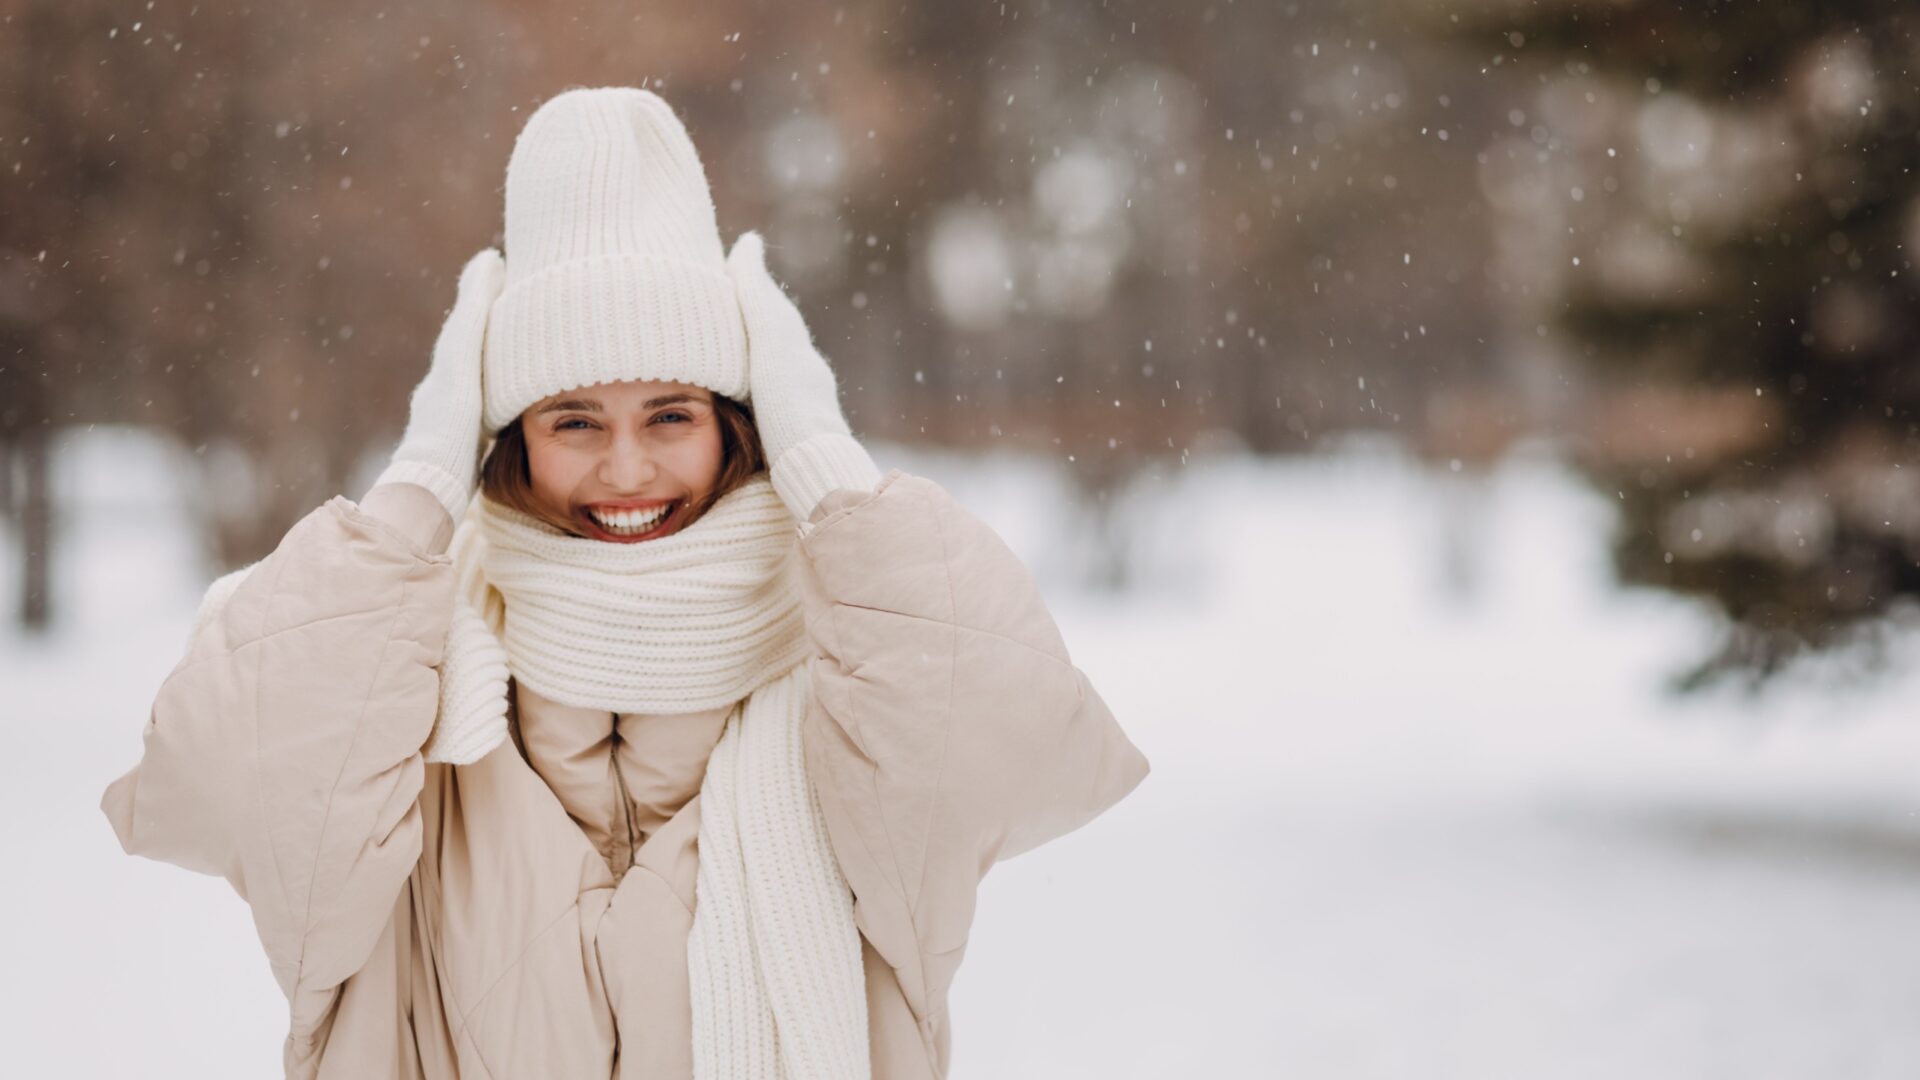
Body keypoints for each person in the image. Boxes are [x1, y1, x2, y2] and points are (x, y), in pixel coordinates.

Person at [101, 86, 1148, 1080]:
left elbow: (1013, 747)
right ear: (503, 439)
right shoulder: (407, 687)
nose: (629, 471)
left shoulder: (852, 687)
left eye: (671, 415)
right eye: (573, 421)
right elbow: (217, 790)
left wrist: (829, 472)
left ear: (739, 424)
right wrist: (416, 492)